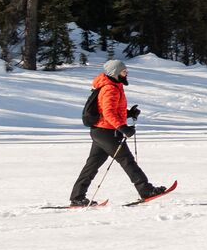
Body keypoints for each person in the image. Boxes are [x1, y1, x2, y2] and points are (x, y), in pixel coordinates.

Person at [70, 59, 167, 206]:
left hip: (100, 131)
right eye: (123, 71)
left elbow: (110, 111)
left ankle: (77, 197)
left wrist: (128, 113)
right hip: (107, 132)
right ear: (115, 73)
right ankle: (146, 190)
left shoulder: (114, 86)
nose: (126, 73)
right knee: (127, 160)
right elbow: (108, 113)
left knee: (92, 165)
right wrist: (123, 128)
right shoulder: (110, 88)